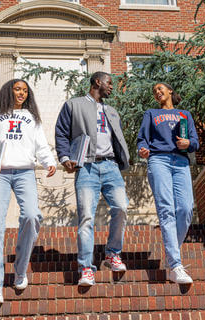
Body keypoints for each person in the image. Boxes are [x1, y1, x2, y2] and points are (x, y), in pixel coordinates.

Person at [0, 79, 56, 303]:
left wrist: (49, 161)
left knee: (31, 216)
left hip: (24, 173)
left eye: (25, 91)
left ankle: (20, 269)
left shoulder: (31, 118)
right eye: (18, 89)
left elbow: (40, 144)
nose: (21, 93)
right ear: (9, 91)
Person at [55, 71, 130, 286]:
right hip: (86, 167)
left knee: (121, 208)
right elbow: (61, 132)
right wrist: (64, 156)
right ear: (97, 82)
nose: (112, 87)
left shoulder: (112, 111)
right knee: (87, 217)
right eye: (109, 83)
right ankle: (86, 268)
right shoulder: (74, 104)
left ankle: (112, 254)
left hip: (110, 166)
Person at [137, 82, 199, 284]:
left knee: (186, 208)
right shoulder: (151, 114)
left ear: (170, 90)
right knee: (166, 209)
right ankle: (175, 265)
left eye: (160, 88)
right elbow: (142, 140)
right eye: (154, 90)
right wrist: (143, 150)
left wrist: (188, 143)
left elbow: (195, 142)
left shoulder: (184, 114)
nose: (157, 91)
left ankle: (173, 251)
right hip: (159, 160)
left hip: (181, 161)